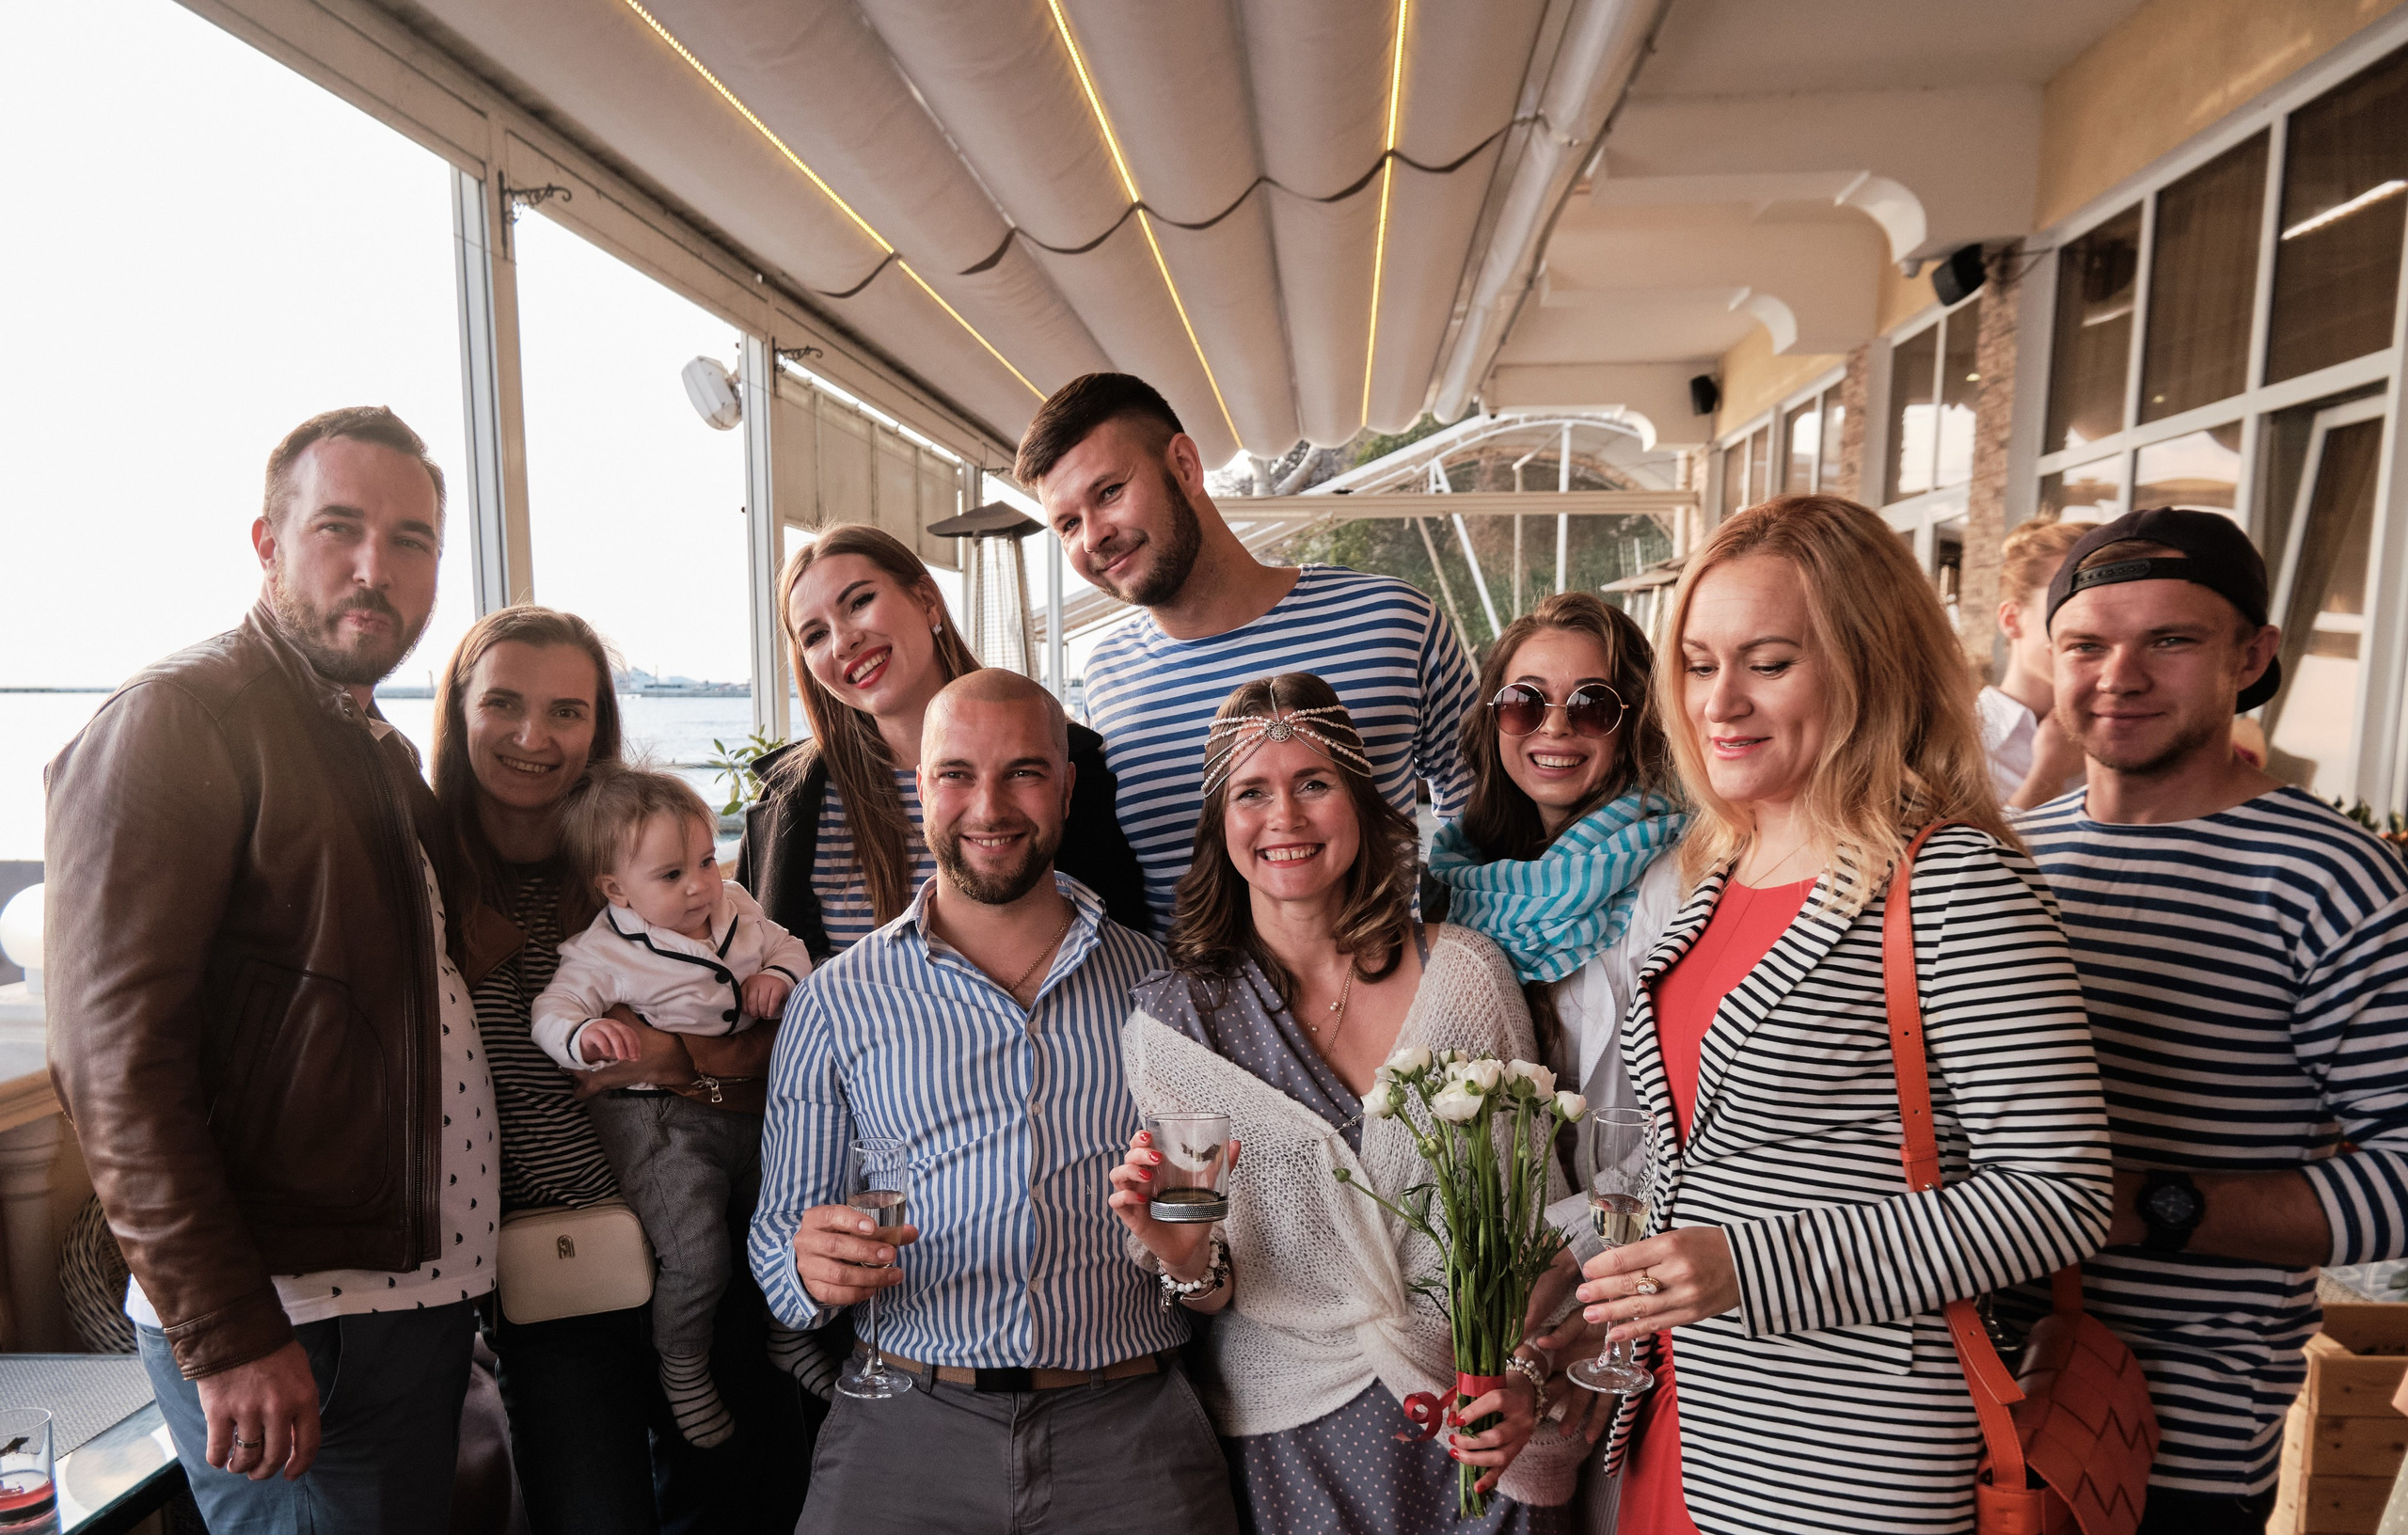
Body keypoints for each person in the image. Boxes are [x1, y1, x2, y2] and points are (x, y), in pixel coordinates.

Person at [1572, 494, 2114, 1535]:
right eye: (1695, 663)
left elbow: (2061, 1195)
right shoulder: (1722, 863)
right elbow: (1709, 1152)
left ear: (1870, 664)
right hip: (1685, 1424)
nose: (1716, 702)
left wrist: (1744, 1267)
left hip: (1845, 1459)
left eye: (1767, 663)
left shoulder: (1951, 878)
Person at [46, 406, 491, 1532]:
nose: (374, 568)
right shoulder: (181, 719)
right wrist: (230, 1329)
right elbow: (113, 1063)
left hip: (407, 1300)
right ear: (266, 543)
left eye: (412, 541)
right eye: (338, 528)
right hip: (296, 1315)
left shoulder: (371, 743)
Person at [751, 669, 1238, 1534]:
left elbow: (1214, 1242)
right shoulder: (835, 1000)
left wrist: (1194, 1262)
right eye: (957, 774)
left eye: (1023, 771)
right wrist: (804, 1265)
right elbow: (777, 1241)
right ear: (920, 787)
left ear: (1066, 786)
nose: (989, 805)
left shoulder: (1164, 991)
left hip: (1130, 1434)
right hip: (901, 1428)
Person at [1116, 673, 1585, 1531]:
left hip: (1477, 1420)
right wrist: (1183, 1255)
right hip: (1291, 1442)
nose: (1285, 818)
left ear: (1364, 806)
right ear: (1222, 824)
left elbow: (1542, 1231)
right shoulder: (1180, 1026)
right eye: (1252, 792)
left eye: (1315, 785)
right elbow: (1208, 1277)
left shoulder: (1463, 977)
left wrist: (1521, 1374)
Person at [2017, 508, 2408, 1535]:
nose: (2119, 676)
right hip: (1969, 1393)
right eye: (2086, 645)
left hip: (2173, 1438)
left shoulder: (2333, 881)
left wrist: (2140, 1206)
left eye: (2170, 641)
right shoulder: (2007, 857)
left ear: (2253, 655)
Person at [431, 608, 805, 1535]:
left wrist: (676, 1059)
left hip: (704, 1240)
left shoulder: (656, 875)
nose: (534, 736)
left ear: (600, 725)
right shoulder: (425, 880)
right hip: (557, 1275)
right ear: (458, 712)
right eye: (504, 704)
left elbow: (766, 1057)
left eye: (569, 710)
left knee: (735, 1505)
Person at [1018, 373, 1478, 928]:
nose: (1092, 537)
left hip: (1385, 997)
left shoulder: (1393, 621)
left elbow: (1481, 806)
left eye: (1109, 492)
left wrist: (1459, 957)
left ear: (1185, 466)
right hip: (1184, 1009)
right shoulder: (1106, 676)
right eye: (1067, 524)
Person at [532, 767, 816, 1448]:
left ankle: (791, 1334)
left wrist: (778, 976)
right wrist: (582, 1035)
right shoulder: (603, 951)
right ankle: (683, 1365)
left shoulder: (736, 905)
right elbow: (554, 1010)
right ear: (615, 889)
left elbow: (791, 947)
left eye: (704, 861)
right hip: (655, 1119)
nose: (698, 884)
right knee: (697, 1255)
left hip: (744, 1106)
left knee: (788, 1221)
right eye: (670, 875)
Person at [737, 522, 1149, 955]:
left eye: (860, 602)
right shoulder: (792, 801)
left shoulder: (1070, 764)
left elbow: (1127, 956)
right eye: (815, 635)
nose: (843, 642)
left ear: (927, 601)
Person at [1980, 516, 2089, 809]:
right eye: (2066, 607)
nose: (2089, 627)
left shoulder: (2126, 731)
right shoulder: (1955, 743)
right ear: (2011, 620)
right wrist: (2048, 776)